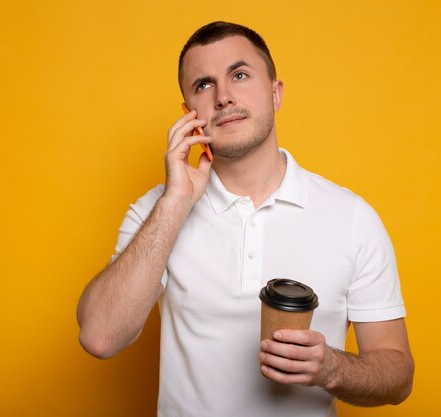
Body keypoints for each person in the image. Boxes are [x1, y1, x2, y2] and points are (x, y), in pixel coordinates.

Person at [77, 21, 414, 417]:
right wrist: (175, 203)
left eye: (239, 75)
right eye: (204, 84)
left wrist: (331, 368)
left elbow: (398, 375)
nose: (223, 97)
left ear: (275, 92)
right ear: (190, 115)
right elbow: (99, 337)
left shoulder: (352, 217)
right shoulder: (158, 210)